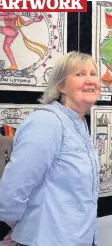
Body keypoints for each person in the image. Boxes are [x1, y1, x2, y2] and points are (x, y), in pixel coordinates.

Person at [0, 51, 101, 246]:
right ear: (61, 85)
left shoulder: (79, 123)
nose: (90, 80)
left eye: (93, 74)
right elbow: (12, 192)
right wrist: (22, 229)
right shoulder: (46, 122)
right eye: (79, 74)